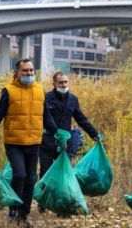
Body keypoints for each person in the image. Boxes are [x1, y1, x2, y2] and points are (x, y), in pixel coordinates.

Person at [0, 59, 57, 228]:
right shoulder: (8, 91)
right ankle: (13, 208)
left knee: (31, 179)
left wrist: (57, 133)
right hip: (14, 142)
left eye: (31, 70)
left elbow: (45, 115)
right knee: (19, 175)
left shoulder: (40, 91)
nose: (29, 74)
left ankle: (23, 216)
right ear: (17, 72)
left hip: (34, 141)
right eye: (25, 71)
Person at [38, 71, 101, 213]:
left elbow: (81, 118)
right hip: (47, 141)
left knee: (64, 174)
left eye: (65, 82)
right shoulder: (45, 98)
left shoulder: (73, 99)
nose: (63, 85)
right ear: (54, 84)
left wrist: (94, 134)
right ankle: (43, 203)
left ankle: (61, 204)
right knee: (45, 172)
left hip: (64, 144)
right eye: (60, 83)